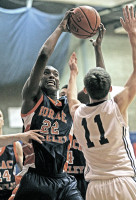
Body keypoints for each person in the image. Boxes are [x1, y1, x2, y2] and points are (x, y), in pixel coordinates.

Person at [9, 10, 83, 200]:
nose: (51, 76)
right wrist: (61, 28)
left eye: (56, 75)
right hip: (35, 179)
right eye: (47, 73)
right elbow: (43, 56)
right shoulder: (32, 98)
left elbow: (98, 92)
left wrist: (76, 71)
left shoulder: (67, 105)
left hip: (63, 180)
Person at [67, 5, 136, 200]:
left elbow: (71, 97)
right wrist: (133, 34)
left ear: (85, 90)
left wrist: (73, 73)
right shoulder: (117, 105)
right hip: (122, 183)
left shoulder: (77, 113)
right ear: (111, 89)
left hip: (94, 189)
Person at [59, 24, 106, 199]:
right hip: (63, 178)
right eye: (60, 96)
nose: (64, 98)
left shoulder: (80, 112)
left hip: (86, 176)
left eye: (67, 95)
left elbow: (101, 81)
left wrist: (98, 49)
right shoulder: (54, 116)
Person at [0, 110, 43, 200]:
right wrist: (20, 135)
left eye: (0, 116)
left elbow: (25, 170)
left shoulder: (15, 145)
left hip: (9, 192)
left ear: (3, 121)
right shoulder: (16, 138)